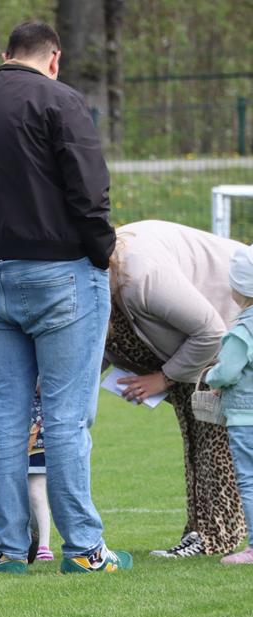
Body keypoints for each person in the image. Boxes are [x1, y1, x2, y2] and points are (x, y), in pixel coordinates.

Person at [0, 20, 130, 574]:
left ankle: (8, 548)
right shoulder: (62, 101)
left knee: (4, 416)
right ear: (54, 58)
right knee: (66, 418)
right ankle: (84, 549)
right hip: (61, 272)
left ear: (5, 56)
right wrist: (101, 250)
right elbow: (89, 189)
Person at [107, 220, 246, 557]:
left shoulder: (141, 276)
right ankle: (200, 531)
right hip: (197, 344)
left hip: (230, 326)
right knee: (196, 438)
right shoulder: (108, 278)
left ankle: (217, 536)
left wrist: (164, 377)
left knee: (214, 437)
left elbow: (211, 331)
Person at [206, 245, 253, 565]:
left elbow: (229, 371)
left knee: (249, 479)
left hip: (245, 417)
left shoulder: (242, 330)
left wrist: (212, 377)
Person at [27, 393, 53, 562]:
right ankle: (5, 543)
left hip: (38, 433)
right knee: (7, 492)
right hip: (8, 428)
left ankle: (43, 545)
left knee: (36, 492)